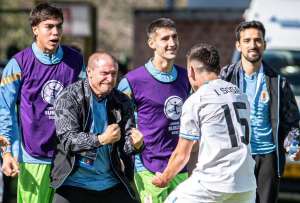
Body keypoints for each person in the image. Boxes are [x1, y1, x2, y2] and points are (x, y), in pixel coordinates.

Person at [0, 3, 84, 203]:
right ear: (35, 29)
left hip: (68, 158)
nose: (55, 32)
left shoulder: (76, 61)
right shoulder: (19, 64)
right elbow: (5, 110)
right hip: (32, 157)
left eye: (59, 26)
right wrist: (7, 153)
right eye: (49, 26)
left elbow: (86, 105)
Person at [152, 43, 256, 203]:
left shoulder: (197, 100)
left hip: (213, 183)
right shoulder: (239, 94)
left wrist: (165, 178)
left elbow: (182, 154)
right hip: (246, 185)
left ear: (191, 71)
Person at [220, 20, 300, 203]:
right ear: (238, 45)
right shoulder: (225, 79)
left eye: (257, 40)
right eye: (247, 40)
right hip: (235, 157)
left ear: (264, 44)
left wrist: (293, 144)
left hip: (267, 159)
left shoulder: (279, 83)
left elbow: (292, 123)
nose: (252, 45)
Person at [50, 52, 143, 203]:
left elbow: (125, 147)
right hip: (73, 184)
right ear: (89, 72)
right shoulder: (69, 97)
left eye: (113, 74)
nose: (110, 79)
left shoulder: (122, 101)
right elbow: (68, 140)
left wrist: (136, 144)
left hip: (112, 182)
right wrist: (101, 139)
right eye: (104, 73)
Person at [118, 17, 190, 203]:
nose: (172, 43)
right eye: (165, 39)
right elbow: (116, 120)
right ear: (152, 43)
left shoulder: (187, 77)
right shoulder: (132, 81)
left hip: (179, 167)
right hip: (148, 167)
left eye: (174, 37)